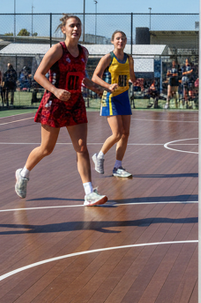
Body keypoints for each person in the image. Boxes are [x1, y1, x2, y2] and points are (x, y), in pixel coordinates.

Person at [13, 15, 115, 206]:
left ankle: (89, 192)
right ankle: (23, 173)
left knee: (82, 147)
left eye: (78, 25)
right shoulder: (58, 50)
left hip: (75, 103)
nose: (76, 29)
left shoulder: (84, 52)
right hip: (55, 102)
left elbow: (81, 77)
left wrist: (98, 88)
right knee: (46, 149)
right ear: (64, 29)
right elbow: (38, 75)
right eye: (72, 26)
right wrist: (55, 90)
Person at [92, 30, 135, 179]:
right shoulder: (108, 58)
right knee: (117, 133)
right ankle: (99, 156)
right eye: (117, 39)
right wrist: (108, 85)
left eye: (123, 39)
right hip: (111, 97)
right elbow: (95, 77)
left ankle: (118, 166)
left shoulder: (129, 58)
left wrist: (137, 81)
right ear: (112, 41)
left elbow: (132, 76)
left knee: (125, 134)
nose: (120, 41)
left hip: (124, 96)